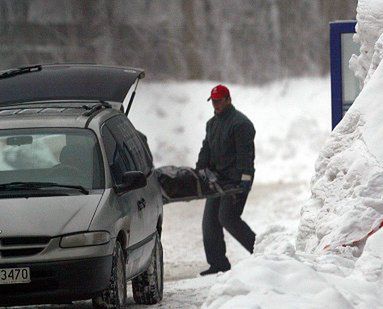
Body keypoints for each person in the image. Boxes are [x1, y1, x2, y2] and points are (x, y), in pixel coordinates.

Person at [196, 84, 256, 276]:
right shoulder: (211, 124)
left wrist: (244, 182)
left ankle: (262, 253)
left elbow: (246, 156)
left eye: (219, 101)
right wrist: (201, 169)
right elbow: (206, 150)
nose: (216, 105)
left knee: (228, 218)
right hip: (218, 180)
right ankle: (218, 264)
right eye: (213, 101)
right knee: (209, 222)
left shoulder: (241, 124)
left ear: (228, 100)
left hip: (236, 181)